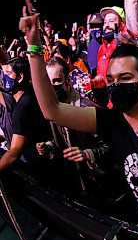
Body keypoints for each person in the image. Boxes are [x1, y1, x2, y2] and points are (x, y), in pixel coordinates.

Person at [20, 12, 138, 240]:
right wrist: (34, 49)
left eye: (125, 78)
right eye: (110, 80)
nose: (116, 86)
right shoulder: (111, 120)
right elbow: (52, 111)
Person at [35, 57, 113, 195]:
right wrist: (49, 146)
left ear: (68, 81)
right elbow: (67, 140)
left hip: (101, 184)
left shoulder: (84, 108)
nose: (53, 86)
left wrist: (87, 154)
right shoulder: (52, 107)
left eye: (57, 80)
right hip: (78, 181)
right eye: (49, 82)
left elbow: (111, 145)